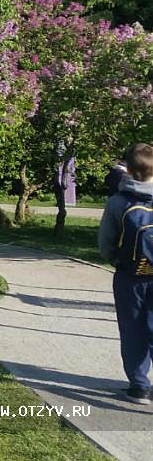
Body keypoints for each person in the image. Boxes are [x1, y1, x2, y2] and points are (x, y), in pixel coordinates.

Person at [98, 142, 153, 405]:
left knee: (132, 330)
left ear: (127, 170)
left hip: (130, 276)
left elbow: (105, 242)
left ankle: (140, 386)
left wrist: (116, 260)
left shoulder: (118, 201)